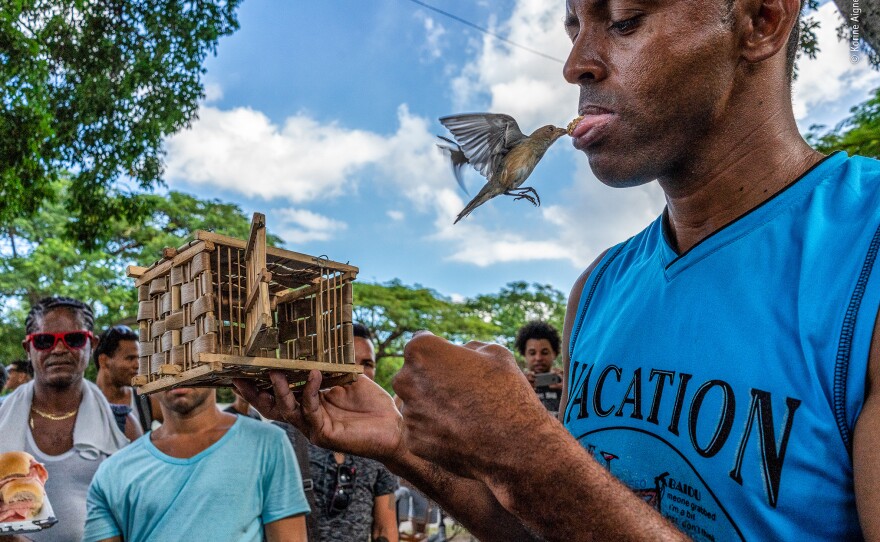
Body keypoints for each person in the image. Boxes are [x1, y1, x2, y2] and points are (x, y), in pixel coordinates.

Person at [236, 0, 880, 539]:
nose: (577, 63)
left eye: (624, 20)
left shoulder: (863, 249)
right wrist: (399, 443)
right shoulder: (599, 288)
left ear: (761, 20)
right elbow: (561, 524)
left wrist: (530, 454)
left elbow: (552, 485)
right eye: (575, 26)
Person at [82, 386, 309, 542]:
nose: (179, 365)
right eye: (165, 352)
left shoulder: (268, 443)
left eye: (191, 348)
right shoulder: (112, 473)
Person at [0, 297, 138, 542]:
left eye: (74, 339)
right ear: (28, 349)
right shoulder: (3, 417)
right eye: (44, 341)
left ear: (91, 344)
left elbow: (140, 518)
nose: (59, 349)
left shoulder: (122, 426)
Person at [276, 323, 398, 542]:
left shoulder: (380, 442)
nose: (359, 372)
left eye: (367, 363)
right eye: (349, 362)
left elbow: (384, 529)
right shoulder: (282, 435)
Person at [93, 325, 162, 433]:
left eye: (139, 358)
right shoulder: (83, 402)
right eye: (130, 358)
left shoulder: (146, 401)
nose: (138, 365)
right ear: (104, 360)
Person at [515, 321, 564, 415]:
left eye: (544, 352)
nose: (538, 358)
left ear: (554, 353)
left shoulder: (567, 384)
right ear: (524, 355)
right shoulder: (515, 386)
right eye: (532, 353)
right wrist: (517, 390)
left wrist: (571, 391)